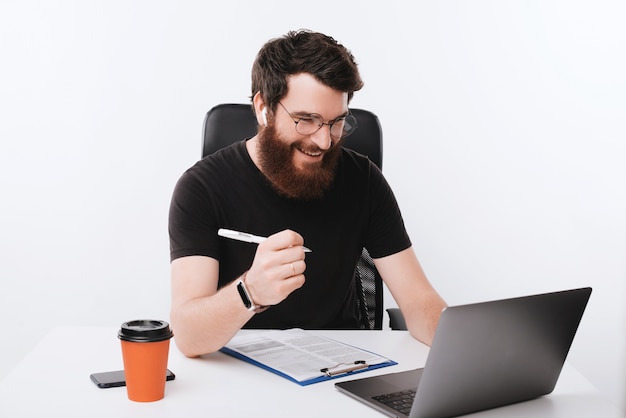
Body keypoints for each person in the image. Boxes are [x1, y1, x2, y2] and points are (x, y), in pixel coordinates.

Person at [168, 29, 447, 357]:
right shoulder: (201, 188)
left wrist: (469, 347)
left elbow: (418, 300)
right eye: (306, 120)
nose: (324, 141)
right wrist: (250, 292)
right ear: (264, 108)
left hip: (341, 366)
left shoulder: (363, 180)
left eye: (336, 122)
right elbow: (187, 335)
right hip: (240, 368)